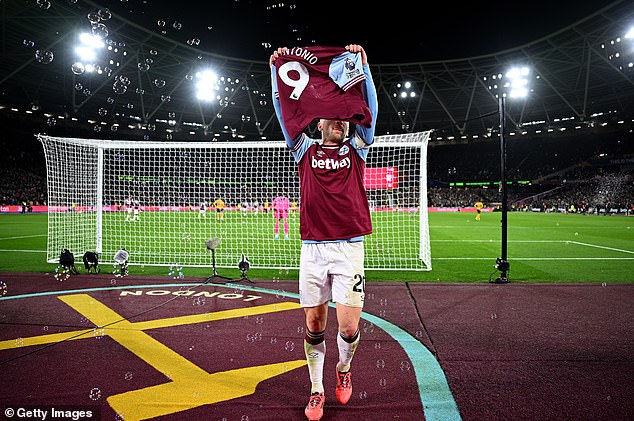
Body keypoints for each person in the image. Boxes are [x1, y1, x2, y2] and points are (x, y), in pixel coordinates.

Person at [270, 44, 377, 421]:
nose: (340, 121)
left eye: (344, 118)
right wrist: (275, 72)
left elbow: (370, 112)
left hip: (349, 248)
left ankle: (343, 371)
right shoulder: (304, 151)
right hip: (313, 249)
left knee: (348, 328)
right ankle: (316, 390)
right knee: (314, 324)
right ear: (318, 123)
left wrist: (363, 66)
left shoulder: (358, 150)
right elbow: (286, 112)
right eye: (332, 117)